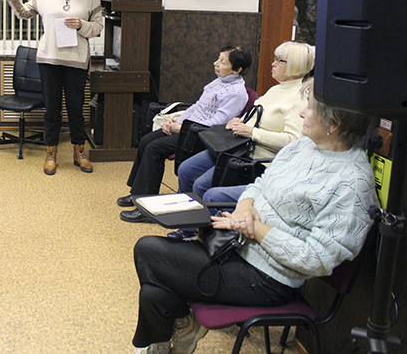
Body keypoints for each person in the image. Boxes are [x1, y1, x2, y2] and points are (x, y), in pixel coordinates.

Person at [130, 80, 377, 354]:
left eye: (309, 108)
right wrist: (245, 208)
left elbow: (316, 259)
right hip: (237, 247)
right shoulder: (302, 148)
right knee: (154, 290)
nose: (302, 113)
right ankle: (172, 336)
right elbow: (259, 185)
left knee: (148, 251)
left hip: (270, 279)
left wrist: (255, 229)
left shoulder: (353, 183)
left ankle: (173, 334)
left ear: (334, 124)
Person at [171, 41, 315, 241]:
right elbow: (257, 116)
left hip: (257, 159)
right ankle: (186, 227)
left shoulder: (299, 97)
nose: (273, 63)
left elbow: (294, 140)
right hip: (239, 148)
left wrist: (253, 133)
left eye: (279, 60)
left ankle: (201, 235)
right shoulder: (275, 90)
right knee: (186, 169)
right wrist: (240, 121)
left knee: (202, 186)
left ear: (295, 66)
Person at [0, 0, 103, 175]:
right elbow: (23, 13)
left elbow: (98, 26)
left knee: (76, 109)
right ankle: (51, 153)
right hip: (49, 60)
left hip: (76, 61)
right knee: (52, 110)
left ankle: (79, 152)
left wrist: (81, 25)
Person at [118, 45, 252, 223]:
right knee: (146, 140)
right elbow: (197, 106)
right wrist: (177, 122)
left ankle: (146, 206)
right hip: (188, 129)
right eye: (218, 59)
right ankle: (137, 194)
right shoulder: (219, 81)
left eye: (222, 62)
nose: (216, 63)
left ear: (237, 69)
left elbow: (217, 124)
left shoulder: (236, 93)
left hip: (202, 136)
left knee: (154, 148)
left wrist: (181, 128)